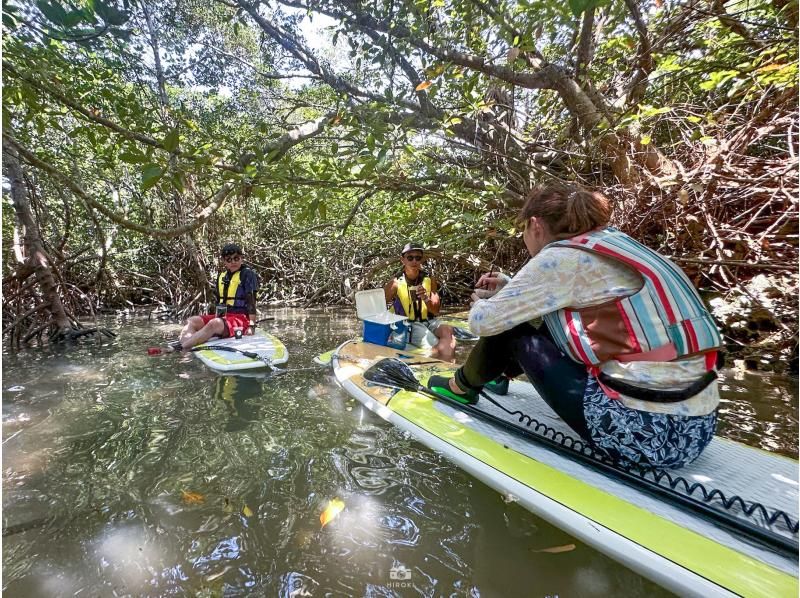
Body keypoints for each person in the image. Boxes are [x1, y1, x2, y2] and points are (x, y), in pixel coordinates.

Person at [427, 184, 722, 469]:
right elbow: (580, 295)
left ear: (535, 225)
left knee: (513, 328)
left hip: (644, 435)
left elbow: (483, 323)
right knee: (530, 315)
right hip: (697, 429)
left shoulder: (559, 257)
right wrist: (509, 286)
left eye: (523, 231)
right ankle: (496, 375)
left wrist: (481, 301)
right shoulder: (615, 242)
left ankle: (461, 387)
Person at [169, 243, 259, 351]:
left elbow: (251, 302)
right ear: (224, 262)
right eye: (229, 260)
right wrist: (218, 318)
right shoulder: (222, 276)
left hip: (241, 319)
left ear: (241, 258)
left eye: (236, 258)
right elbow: (219, 301)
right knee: (192, 320)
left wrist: (251, 326)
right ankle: (188, 344)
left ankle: (179, 349)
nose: (233, 262)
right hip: (225, 317)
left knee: (214, 324)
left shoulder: (248, 274)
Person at [384, 242, 456, 360]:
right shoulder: (395, 283)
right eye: (410, 258)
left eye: (418, 258)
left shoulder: (429, 279)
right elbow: (380, 307)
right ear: (403, 260)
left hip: (429, 320)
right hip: (410, 324)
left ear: (422, 260)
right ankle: (437, 357)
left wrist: (426, 298)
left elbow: (436, 311)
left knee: (448, 331)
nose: (414, 261)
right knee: (438, 346)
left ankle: (449, 366)